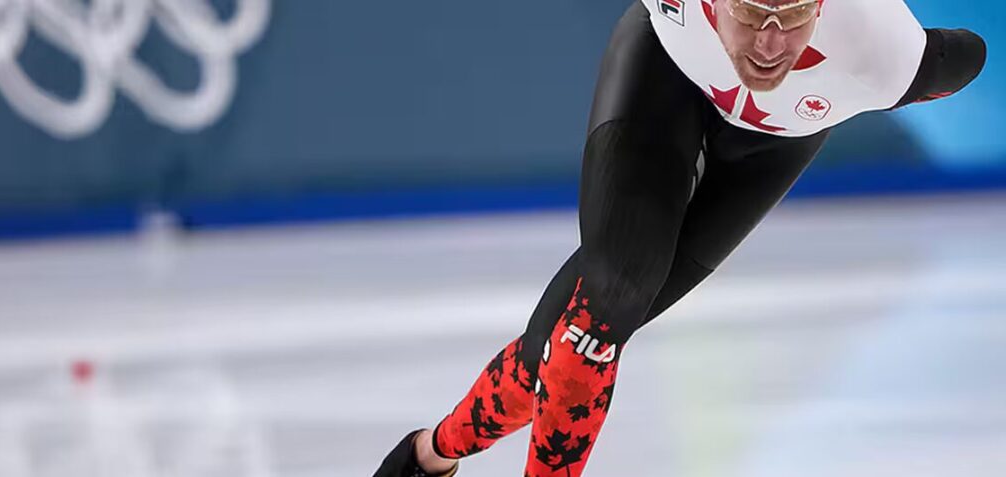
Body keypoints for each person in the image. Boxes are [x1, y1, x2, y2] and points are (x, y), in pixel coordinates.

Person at [373, 0, 986, 475]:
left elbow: (968, 56)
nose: (770, 44)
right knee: (610, 300)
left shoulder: (886, 53)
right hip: (662, 78)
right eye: (749, 16)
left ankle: (430, 454)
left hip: (770, 149)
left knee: (567, 344)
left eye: (793, 18)